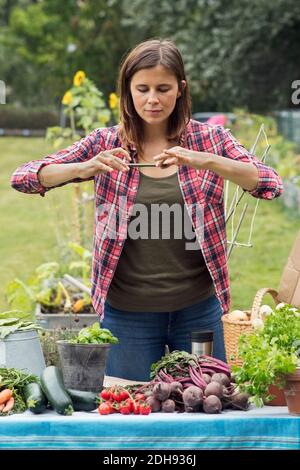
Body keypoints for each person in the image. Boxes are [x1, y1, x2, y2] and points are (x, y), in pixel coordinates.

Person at [11, 39, 283, 381]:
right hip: (128, 315)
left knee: (206, 406)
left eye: (163, 88)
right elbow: (24, 178)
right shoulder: (106, 143)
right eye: (142, 89)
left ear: (180, 89)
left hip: (198, 312)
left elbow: (270, 184)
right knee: (132, 411)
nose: (152, 99)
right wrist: (84, 168)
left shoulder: (209, 140)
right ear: (128, 90)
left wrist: (209, 161)